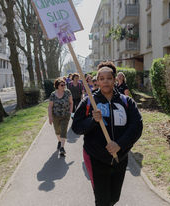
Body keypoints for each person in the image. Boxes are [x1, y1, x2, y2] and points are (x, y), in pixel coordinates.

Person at [72, 61, 143, 206]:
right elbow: (76, 127)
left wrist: (120, 144)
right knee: (102, 199)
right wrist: (92, 120)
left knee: (114, 197)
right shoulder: (88, 102)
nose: (105, 81)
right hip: (96, 158)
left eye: (109, 78)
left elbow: (137, 126)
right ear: (97, 81)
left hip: (120, 158)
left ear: (115, 80)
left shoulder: (126, 102)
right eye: (102, 78)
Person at [48, 77, 73, 156]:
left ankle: (62, 148)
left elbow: (71, 102)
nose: (64, 86)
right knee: (57, 131)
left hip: (65, 115)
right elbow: (50, 106)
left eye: (64, 84)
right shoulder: (53, 94)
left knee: (63, 130)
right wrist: (50, 117)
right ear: (57, 86)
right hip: (55, 116)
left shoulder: (67, 92)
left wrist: (70, 112)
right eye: (62, 85)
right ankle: (59, 141)